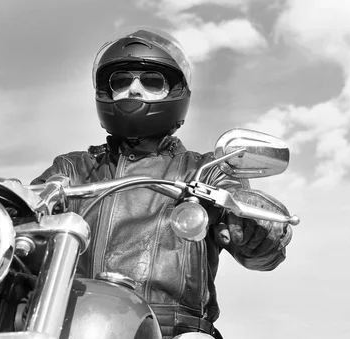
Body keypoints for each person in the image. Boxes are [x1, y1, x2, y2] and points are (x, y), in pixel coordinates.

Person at [31, 27, 293, 339]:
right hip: (77, 324)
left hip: (174, 331)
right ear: (107, 92)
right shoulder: (74, 168)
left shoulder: (205, 170)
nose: (134, 90)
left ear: (174, 92)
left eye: (151, 81)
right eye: (121, 81)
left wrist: (255, 225)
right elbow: (27, 207)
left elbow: (259, 253)